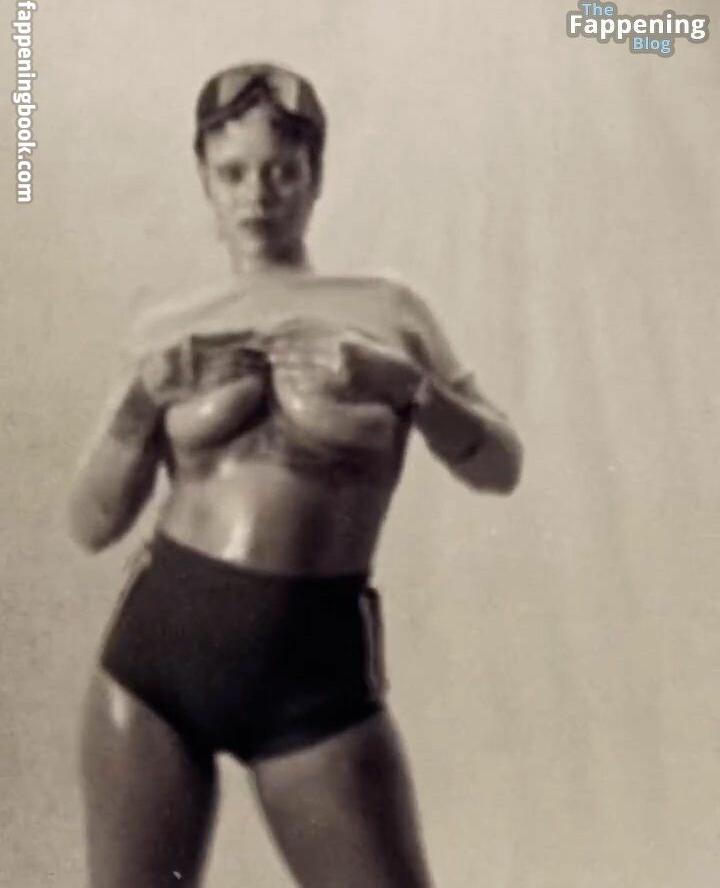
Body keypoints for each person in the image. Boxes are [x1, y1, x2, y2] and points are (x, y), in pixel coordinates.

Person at [69, 62, 523, 888]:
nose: (258, 196)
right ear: (204, 179)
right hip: (151, 669)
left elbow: (501, 466)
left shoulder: (387, 311)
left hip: (313, 684)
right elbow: (91, 524)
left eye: (282, 171)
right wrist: (141, 404)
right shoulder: (165, 325)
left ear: (316, 176)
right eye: (233, 173)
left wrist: (409, 388)